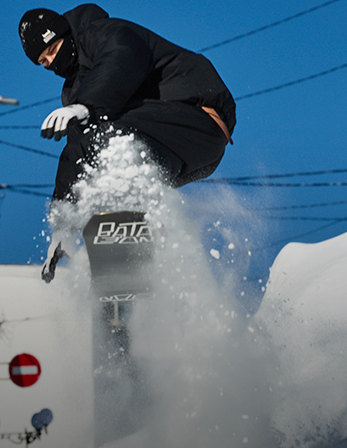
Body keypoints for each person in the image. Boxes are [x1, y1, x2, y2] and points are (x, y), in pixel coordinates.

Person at [18, 4, 236, 281]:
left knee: (107, 138)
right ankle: (128, 272)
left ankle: (127, 226)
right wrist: (62, 227)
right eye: (43, 62)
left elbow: (121, 59)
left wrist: (85, 105)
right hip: (174, 153)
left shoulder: (105, 33)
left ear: (65, 35)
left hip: (199, 118)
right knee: (96, 162)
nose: (51, 62)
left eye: (52, 50)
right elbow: (75, 151)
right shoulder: (77, 89)